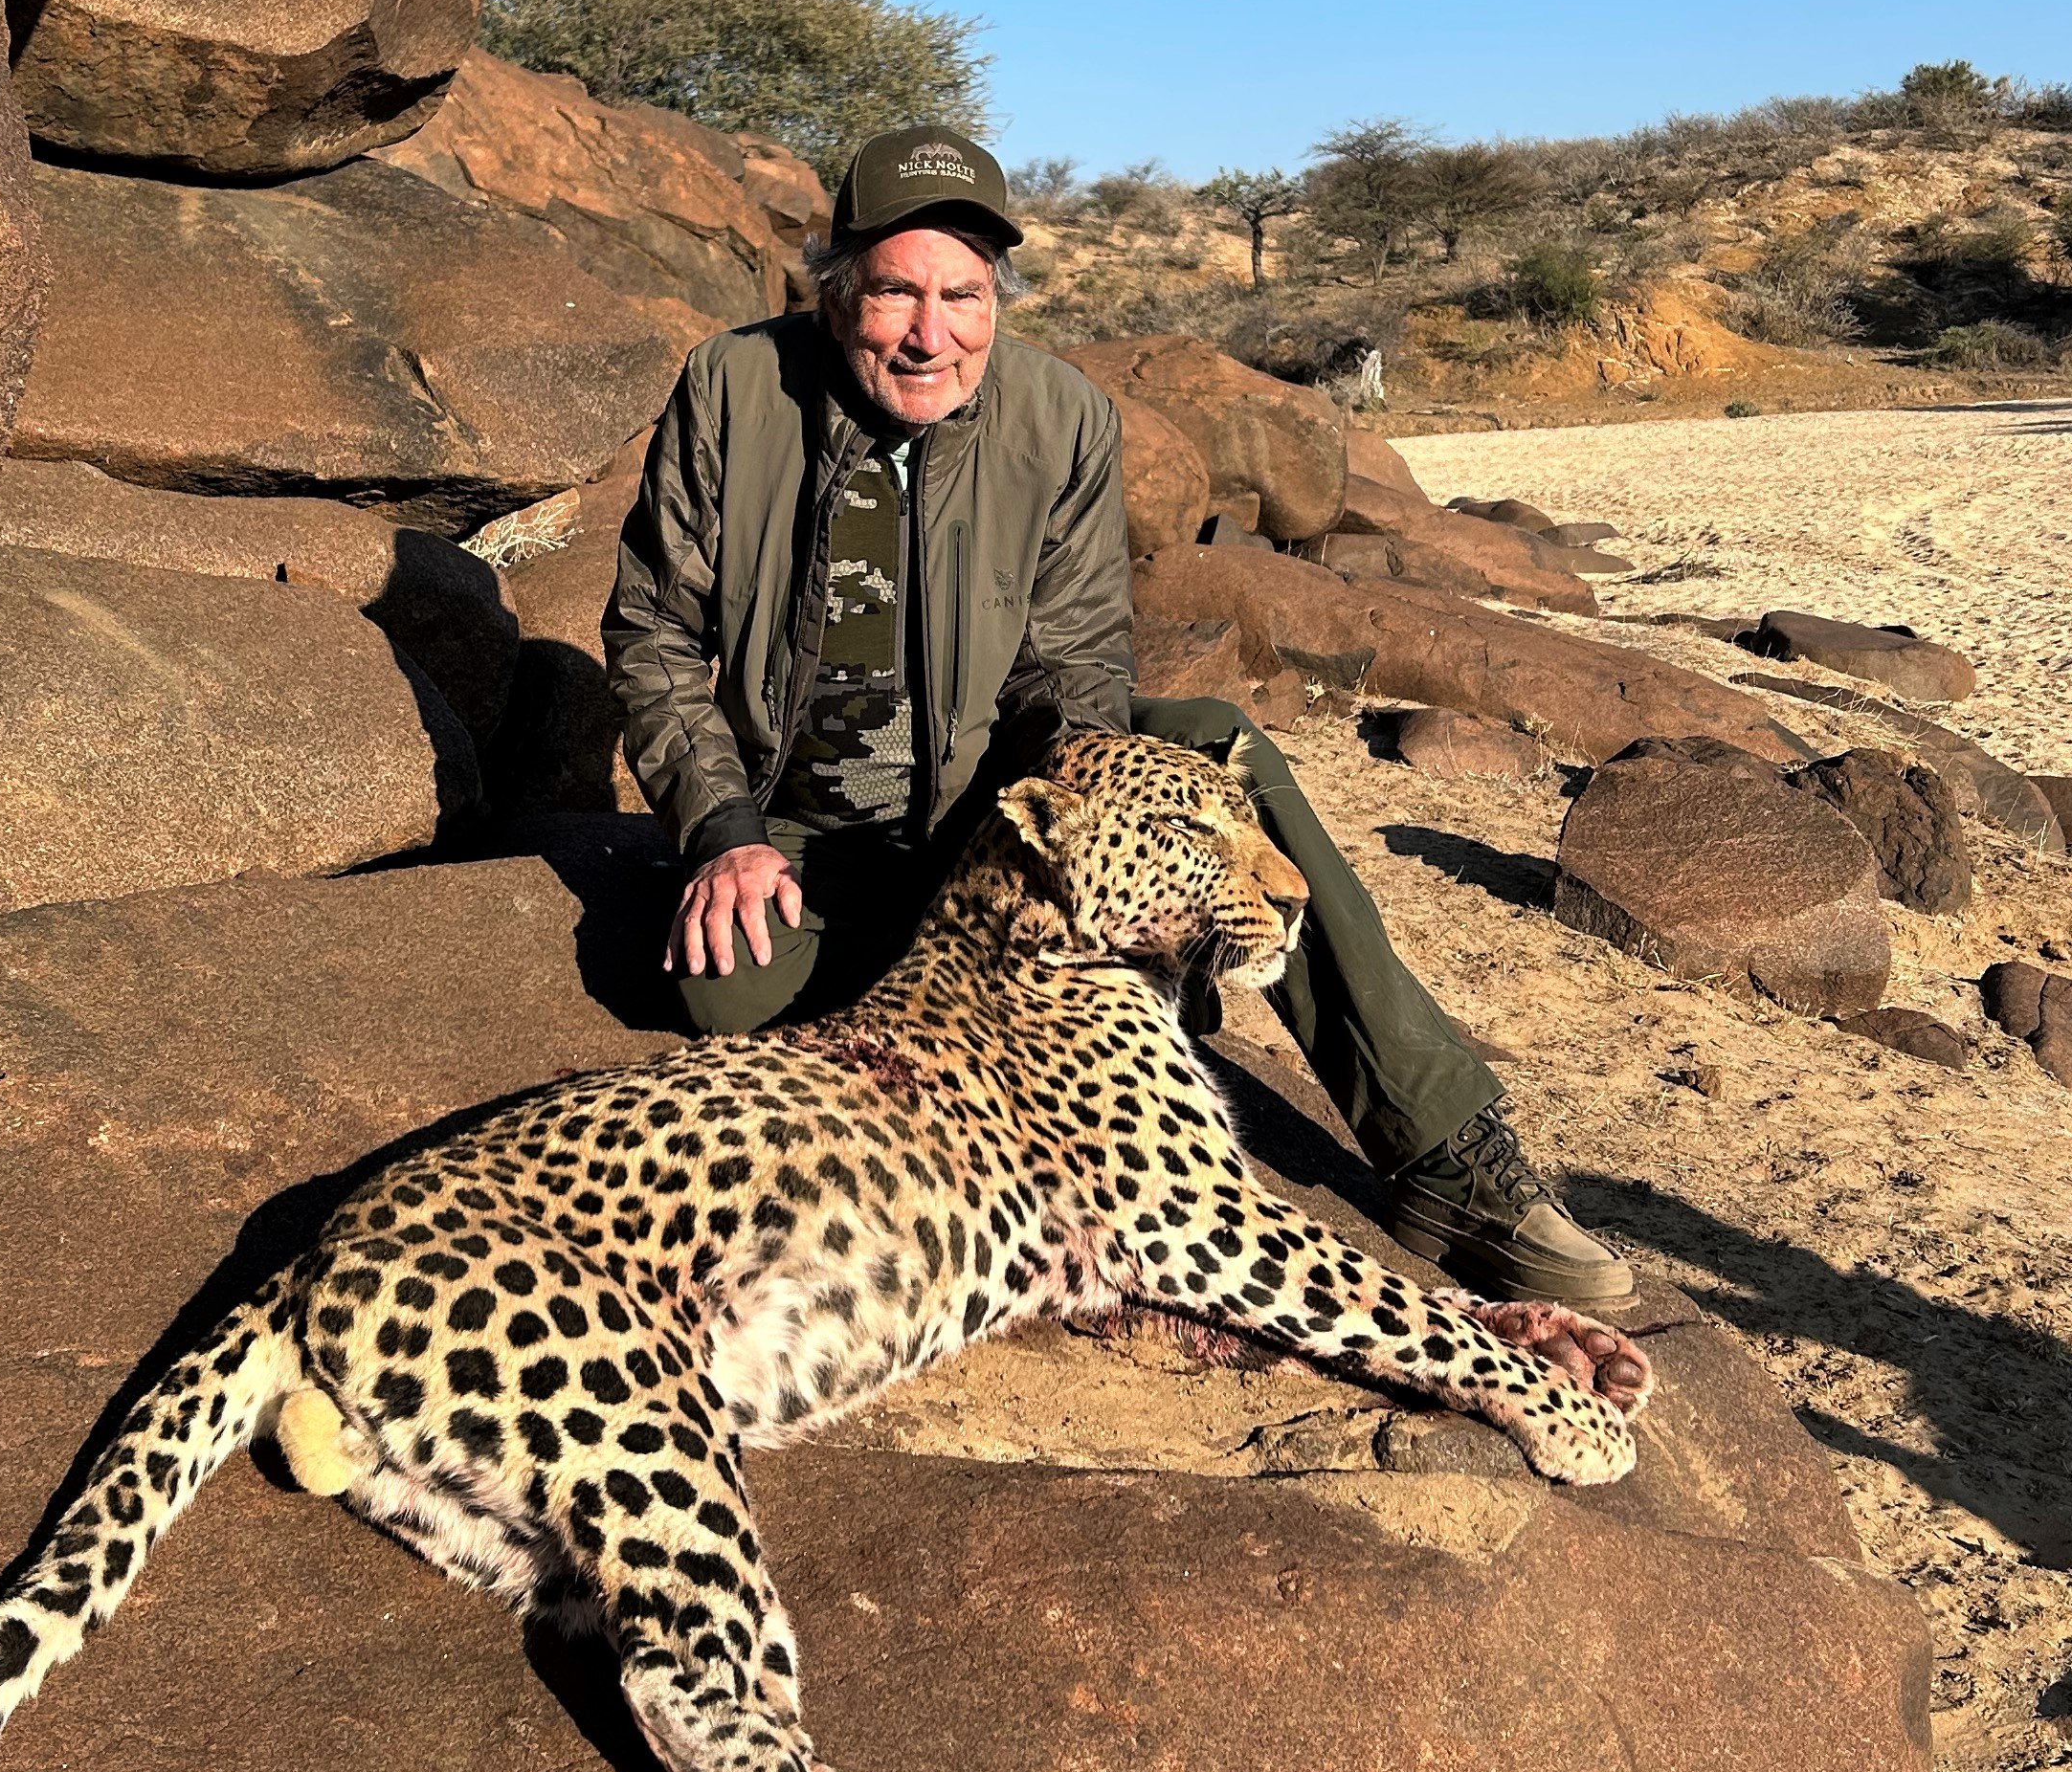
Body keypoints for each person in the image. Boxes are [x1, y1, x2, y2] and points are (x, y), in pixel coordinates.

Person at [601, 125, 1633, 1310]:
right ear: (838, 292)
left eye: (964, 297)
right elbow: (655, 635)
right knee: (720, 993)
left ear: (999, 299)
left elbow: (1078, 668)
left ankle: (1446, 1151)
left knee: (1206, 735)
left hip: (995, 809)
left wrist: (1104, 862)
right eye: (894, 293)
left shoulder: (1061, 418)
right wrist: (721, 828)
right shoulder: (731, 388)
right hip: (802, 822)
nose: (931, 334)